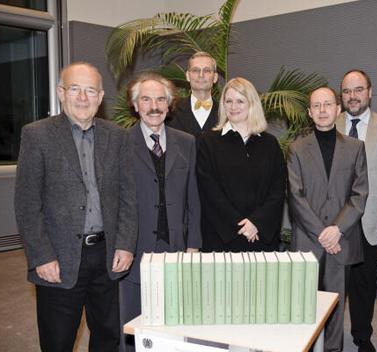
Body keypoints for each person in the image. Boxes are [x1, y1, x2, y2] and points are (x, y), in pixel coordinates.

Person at [14, 62, 137, 351]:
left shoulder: (116, 136)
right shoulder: (37, 135)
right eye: (75, 89)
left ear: (100, 96)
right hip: (58, 258)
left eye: (90, 90)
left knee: (108, 337)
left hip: (107, 258)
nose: (83, 97)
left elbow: (127, 196)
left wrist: (125, 244)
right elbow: (27, 202)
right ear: (61, 92)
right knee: (58, 340)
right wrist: (41, 256)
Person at [119, 72, 201, 350]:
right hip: (134, 249)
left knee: (172, 326)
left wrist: (193, 244)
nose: (153, 106)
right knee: (132, 327)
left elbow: (194, 198)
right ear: (135, 105)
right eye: (146, 99)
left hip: (176, 248)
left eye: (160, 99)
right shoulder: (119, 143)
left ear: (168, 105)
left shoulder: (187, 142)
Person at [288, 87, 368, 352]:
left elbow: (359, 194)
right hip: (308, 240)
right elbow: (295, 195)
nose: (322, 110)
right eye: (317, 106)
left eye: (328, 105)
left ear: (338, 109)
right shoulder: (297, 149)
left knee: (335, 304)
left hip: (341, 240)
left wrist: (336, 230)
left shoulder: (356, 148)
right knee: (304, 304)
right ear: (310, 113)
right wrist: (323, 233)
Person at [335, 69, 377, 352]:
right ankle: (330, 337)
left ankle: (362, 337)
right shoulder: (327, 123)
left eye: (358, 90)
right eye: (347, 91)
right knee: (333, 286)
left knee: (364, 286)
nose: (353, 96)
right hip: (335, 223)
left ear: (369, 92)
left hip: (369, 223)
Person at [197, 77, 286, 252]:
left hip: (261, 236)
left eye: (240, 101)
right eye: (228, 101)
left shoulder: (270, 144)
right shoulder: (208, 142)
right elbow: (210, 192)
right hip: (222, 238)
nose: (233, 106)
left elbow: (277, 191)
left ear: (251, 104)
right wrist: (241, 226)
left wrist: (256, 223)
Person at [168, 51, 219, 136]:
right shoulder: (171, 110)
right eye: (195, 70)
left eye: (207, 70)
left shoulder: (226, 112)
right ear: (188, 76)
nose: (201, 75)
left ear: (215, 77)